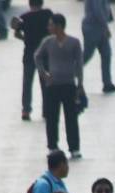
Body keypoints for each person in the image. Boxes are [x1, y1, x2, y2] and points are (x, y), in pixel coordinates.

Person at [35, 14, 85, 158]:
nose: (48, 27)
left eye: (51, 24)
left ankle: (74, 148)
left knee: (71, 117)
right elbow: (37, 56)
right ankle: (52, 146)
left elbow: (79, 64)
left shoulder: (74, 42)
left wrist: (80, 83)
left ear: (59, 26)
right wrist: (43, 73)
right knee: (52, 117)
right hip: (52, 85)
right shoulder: (48, 42)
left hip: (69, 84)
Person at [12, 0, 54, 120]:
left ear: (30, 4)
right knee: (45, 82)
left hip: (29, 54)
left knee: (27, 83)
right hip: (45, 54)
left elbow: (16, 33)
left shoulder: (24, 17)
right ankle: (47, 110)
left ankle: (26, 110)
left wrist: (26, 39)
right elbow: (53, 30)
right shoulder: (47, 14)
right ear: (41, 3)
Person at [82, 0, 115, 93]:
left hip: (100, 27)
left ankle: (107, 83)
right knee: (87, 54)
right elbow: (98, 11)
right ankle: (68, 74)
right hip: (92, 27)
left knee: (106, 54)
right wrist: (106, 26)